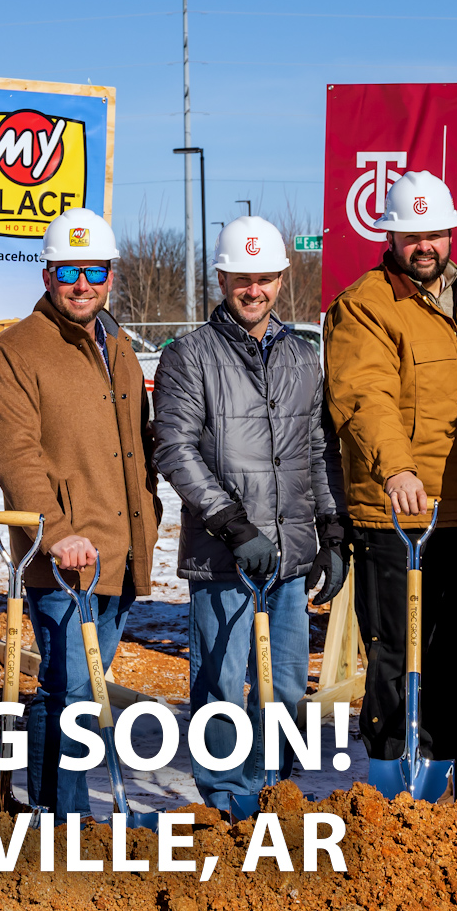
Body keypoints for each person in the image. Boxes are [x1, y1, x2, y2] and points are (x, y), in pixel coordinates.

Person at [152, 217, 347, 816]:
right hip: (223, 557)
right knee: (221, 683)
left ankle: (272, 794)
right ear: (221, 278)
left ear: (282, 281)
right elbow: (174, 449)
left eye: (265, 279)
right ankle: (227, 801)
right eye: (242, 279)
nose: (253, 290)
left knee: (286, 686)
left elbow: (316, 450)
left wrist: (332, 532)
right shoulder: (190, 355)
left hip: (288, 558)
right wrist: (234, 527)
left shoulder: (300, 357)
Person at [325, 171, 457, 799]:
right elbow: (362, 393)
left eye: (433, 233)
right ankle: (395, 776)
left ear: (451, 231)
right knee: (398, 653)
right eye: (410, 235)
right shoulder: (365, 303)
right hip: (398, 514)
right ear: (390, 235)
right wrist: (396, 466)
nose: (423, 245)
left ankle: (453, 762)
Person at [0, 207, 162, 816]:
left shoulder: (119, 345)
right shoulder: (13, 352)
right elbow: (17, 457)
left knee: (84, 690)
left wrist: (149, 517)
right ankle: (63, 821)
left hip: (121, 549)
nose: (83, 284)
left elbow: (136, 445)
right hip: (65, 558)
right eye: (69, 271)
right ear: (48, 273)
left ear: (110, 275)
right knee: (70, 694)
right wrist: (55, 533)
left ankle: (64, 812)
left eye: (95, 271)